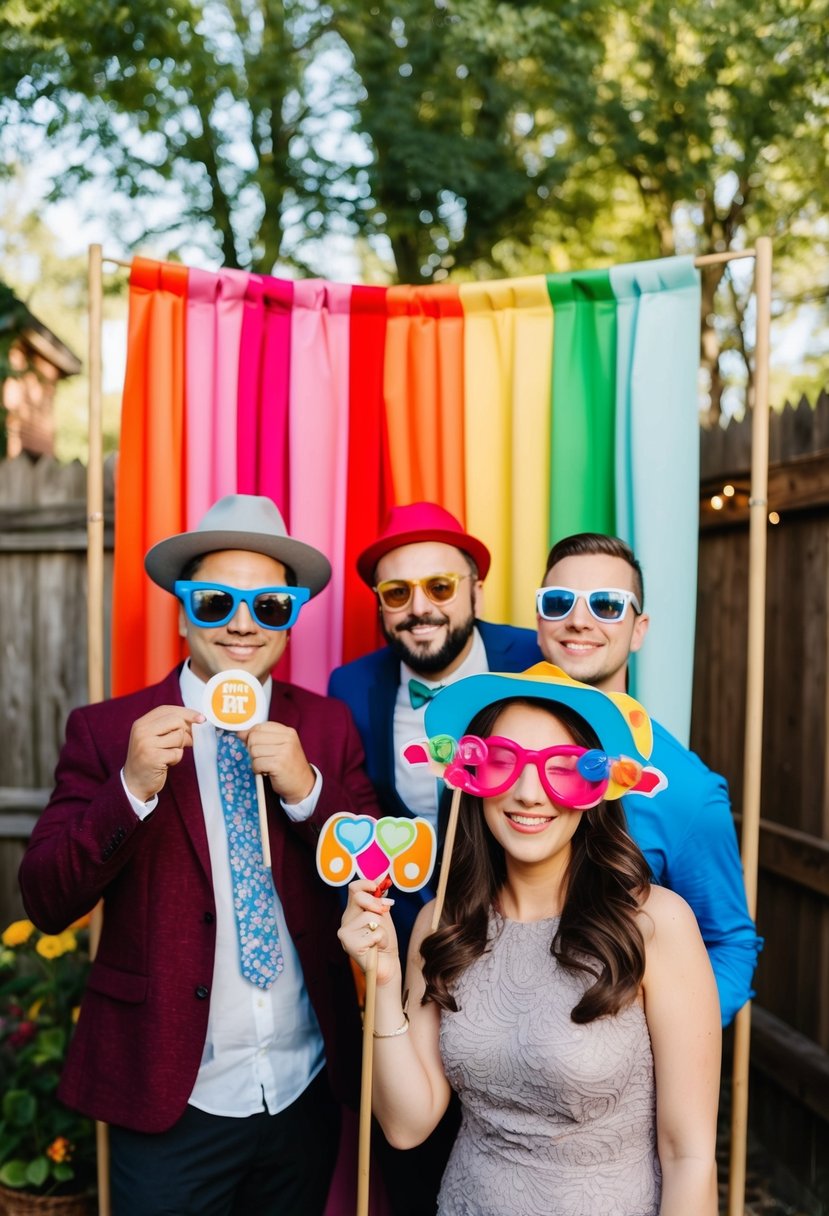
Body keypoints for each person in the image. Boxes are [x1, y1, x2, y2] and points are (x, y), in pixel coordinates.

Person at [18, 494, 378, 1216]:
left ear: (289, 619)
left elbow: (378, 870)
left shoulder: (327, 724)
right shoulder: (108, 729)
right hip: (168, 1092)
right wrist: (130, 789)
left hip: (301, 1088)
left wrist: (308, 789)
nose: (243, 624)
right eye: (216, 602)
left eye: (269, 607)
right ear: (182, 614)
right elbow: (46, 901)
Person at [339, 664, 722, 1216]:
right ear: (471, 773)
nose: (527, 792)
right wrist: (381, 981)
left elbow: (689, 1156)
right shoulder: (441, 924)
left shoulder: (656, 924)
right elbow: (406, 1124)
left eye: (560, 769)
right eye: (502, 763)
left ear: (595, 786)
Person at [537, 532, 762, 1026]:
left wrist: (655, 1046)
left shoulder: (686, 790)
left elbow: (731, 945)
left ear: (639, 630)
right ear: (539, 623)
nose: (579, 620)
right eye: (558, 603)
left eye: (607, 605)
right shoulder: (497, 755)